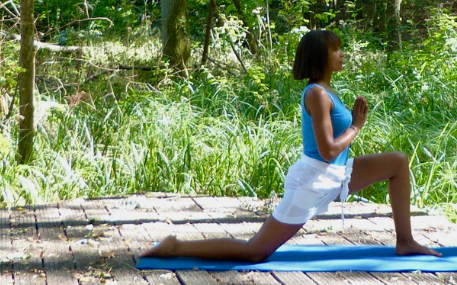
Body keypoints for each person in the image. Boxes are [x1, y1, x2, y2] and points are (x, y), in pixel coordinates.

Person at [140, 30, 441, 262]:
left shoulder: (327, 91)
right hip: (315, 179)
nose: (342, 54)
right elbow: (328, 151)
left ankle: (405, 242)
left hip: (338, 174)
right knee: (256, 252)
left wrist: (352, 120)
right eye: (335, 50)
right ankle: (175, 246)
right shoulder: (317, 95)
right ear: (319, 57)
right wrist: (356, 126)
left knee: (398, 162)